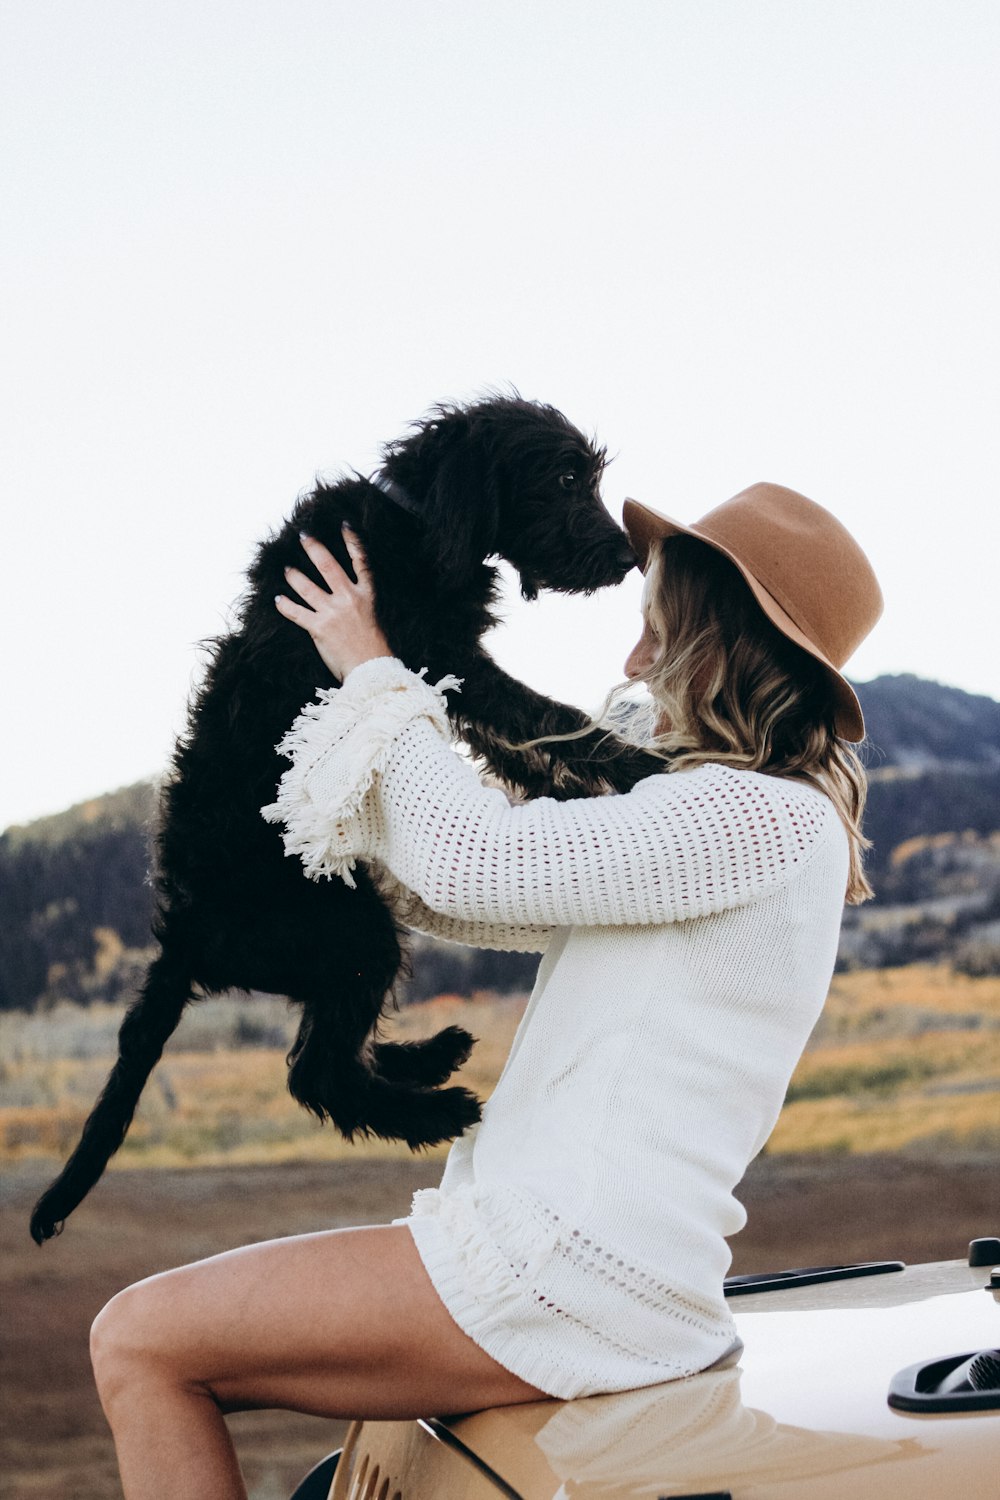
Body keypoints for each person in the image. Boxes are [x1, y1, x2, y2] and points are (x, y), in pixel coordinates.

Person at [90, 481, 882, 1500]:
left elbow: (474, 861)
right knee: (153, 1340)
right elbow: (465, 898)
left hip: (565, 1267)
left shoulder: (757, 819)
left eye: (654, 636)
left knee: (139, 1341)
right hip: (567, 1261)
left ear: (718, 644)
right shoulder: (730, 817)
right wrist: (308, 795)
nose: (632, 664)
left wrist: (373, 671)